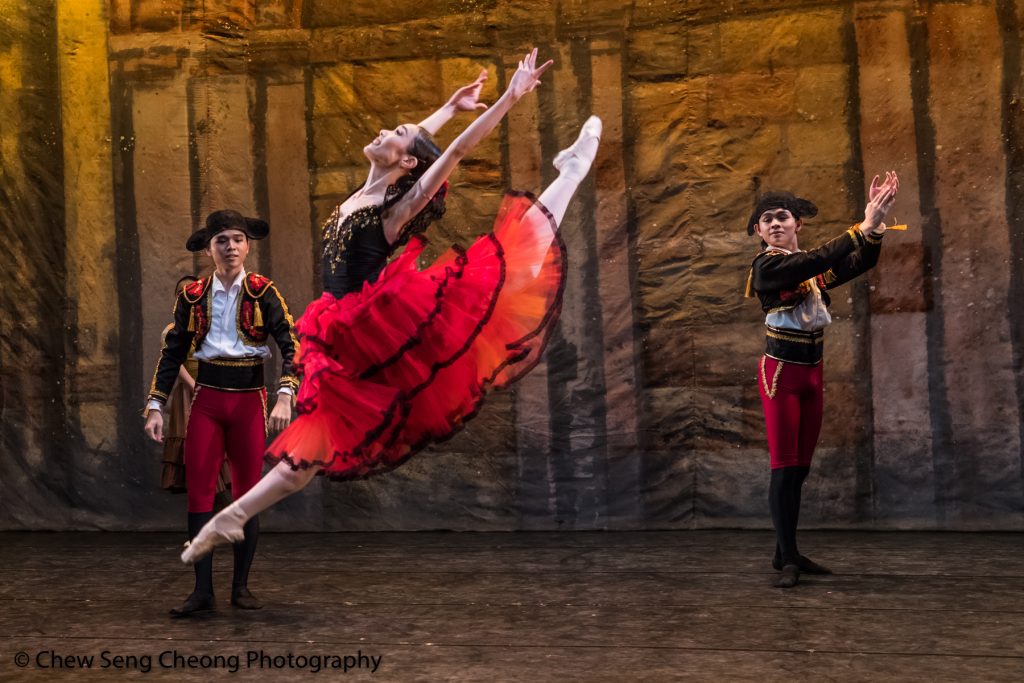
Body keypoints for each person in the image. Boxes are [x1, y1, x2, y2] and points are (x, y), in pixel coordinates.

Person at [180, 49, 601, 566]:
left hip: (372, 325)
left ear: (405, 163)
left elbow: (453, 154)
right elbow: (419, 144)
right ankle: (233, 518)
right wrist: (447, 108)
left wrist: (509, 98)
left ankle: (573, 171)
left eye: (396, 134)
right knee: (309, 447)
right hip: (336, 332)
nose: (385, 130)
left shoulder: (395, 208)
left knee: (508, 271)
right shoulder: (364, 192)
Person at [744, 172, 899, 588]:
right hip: (780, 375)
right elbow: (813, 262)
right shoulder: (768, 267)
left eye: (783, 216)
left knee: (800, 468)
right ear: (759, 233)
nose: (775, 223)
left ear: (798, 223)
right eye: (766, 220)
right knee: (783, 466)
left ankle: (784, 552)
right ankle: (789, 556)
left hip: (812, 373)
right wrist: (858, 229)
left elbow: (857, 262)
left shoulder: (806, 267)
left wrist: (877, 223)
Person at [143, 210, 300, 615]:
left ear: (247, 245)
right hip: (207, 401)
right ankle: (201, 592)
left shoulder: (264, 290)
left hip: (249, 401)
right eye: (221, 241)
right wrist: (155, 405)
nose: (230, 247)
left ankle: (241, 588)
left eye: (236, 239)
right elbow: (171, 352)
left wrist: (285, 393)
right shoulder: (193, 295)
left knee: (247, 497)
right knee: (199, 496)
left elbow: (292, 345)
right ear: (209, 249)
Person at [159, 275, 231, 496]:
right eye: (182, 293)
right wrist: (193, 385)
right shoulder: (171, 330)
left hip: (211, 389)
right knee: (192, 440)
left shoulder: (209, 327)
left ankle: (215, 496)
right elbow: (174, 363)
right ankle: (203, 495)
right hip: (187, 391)